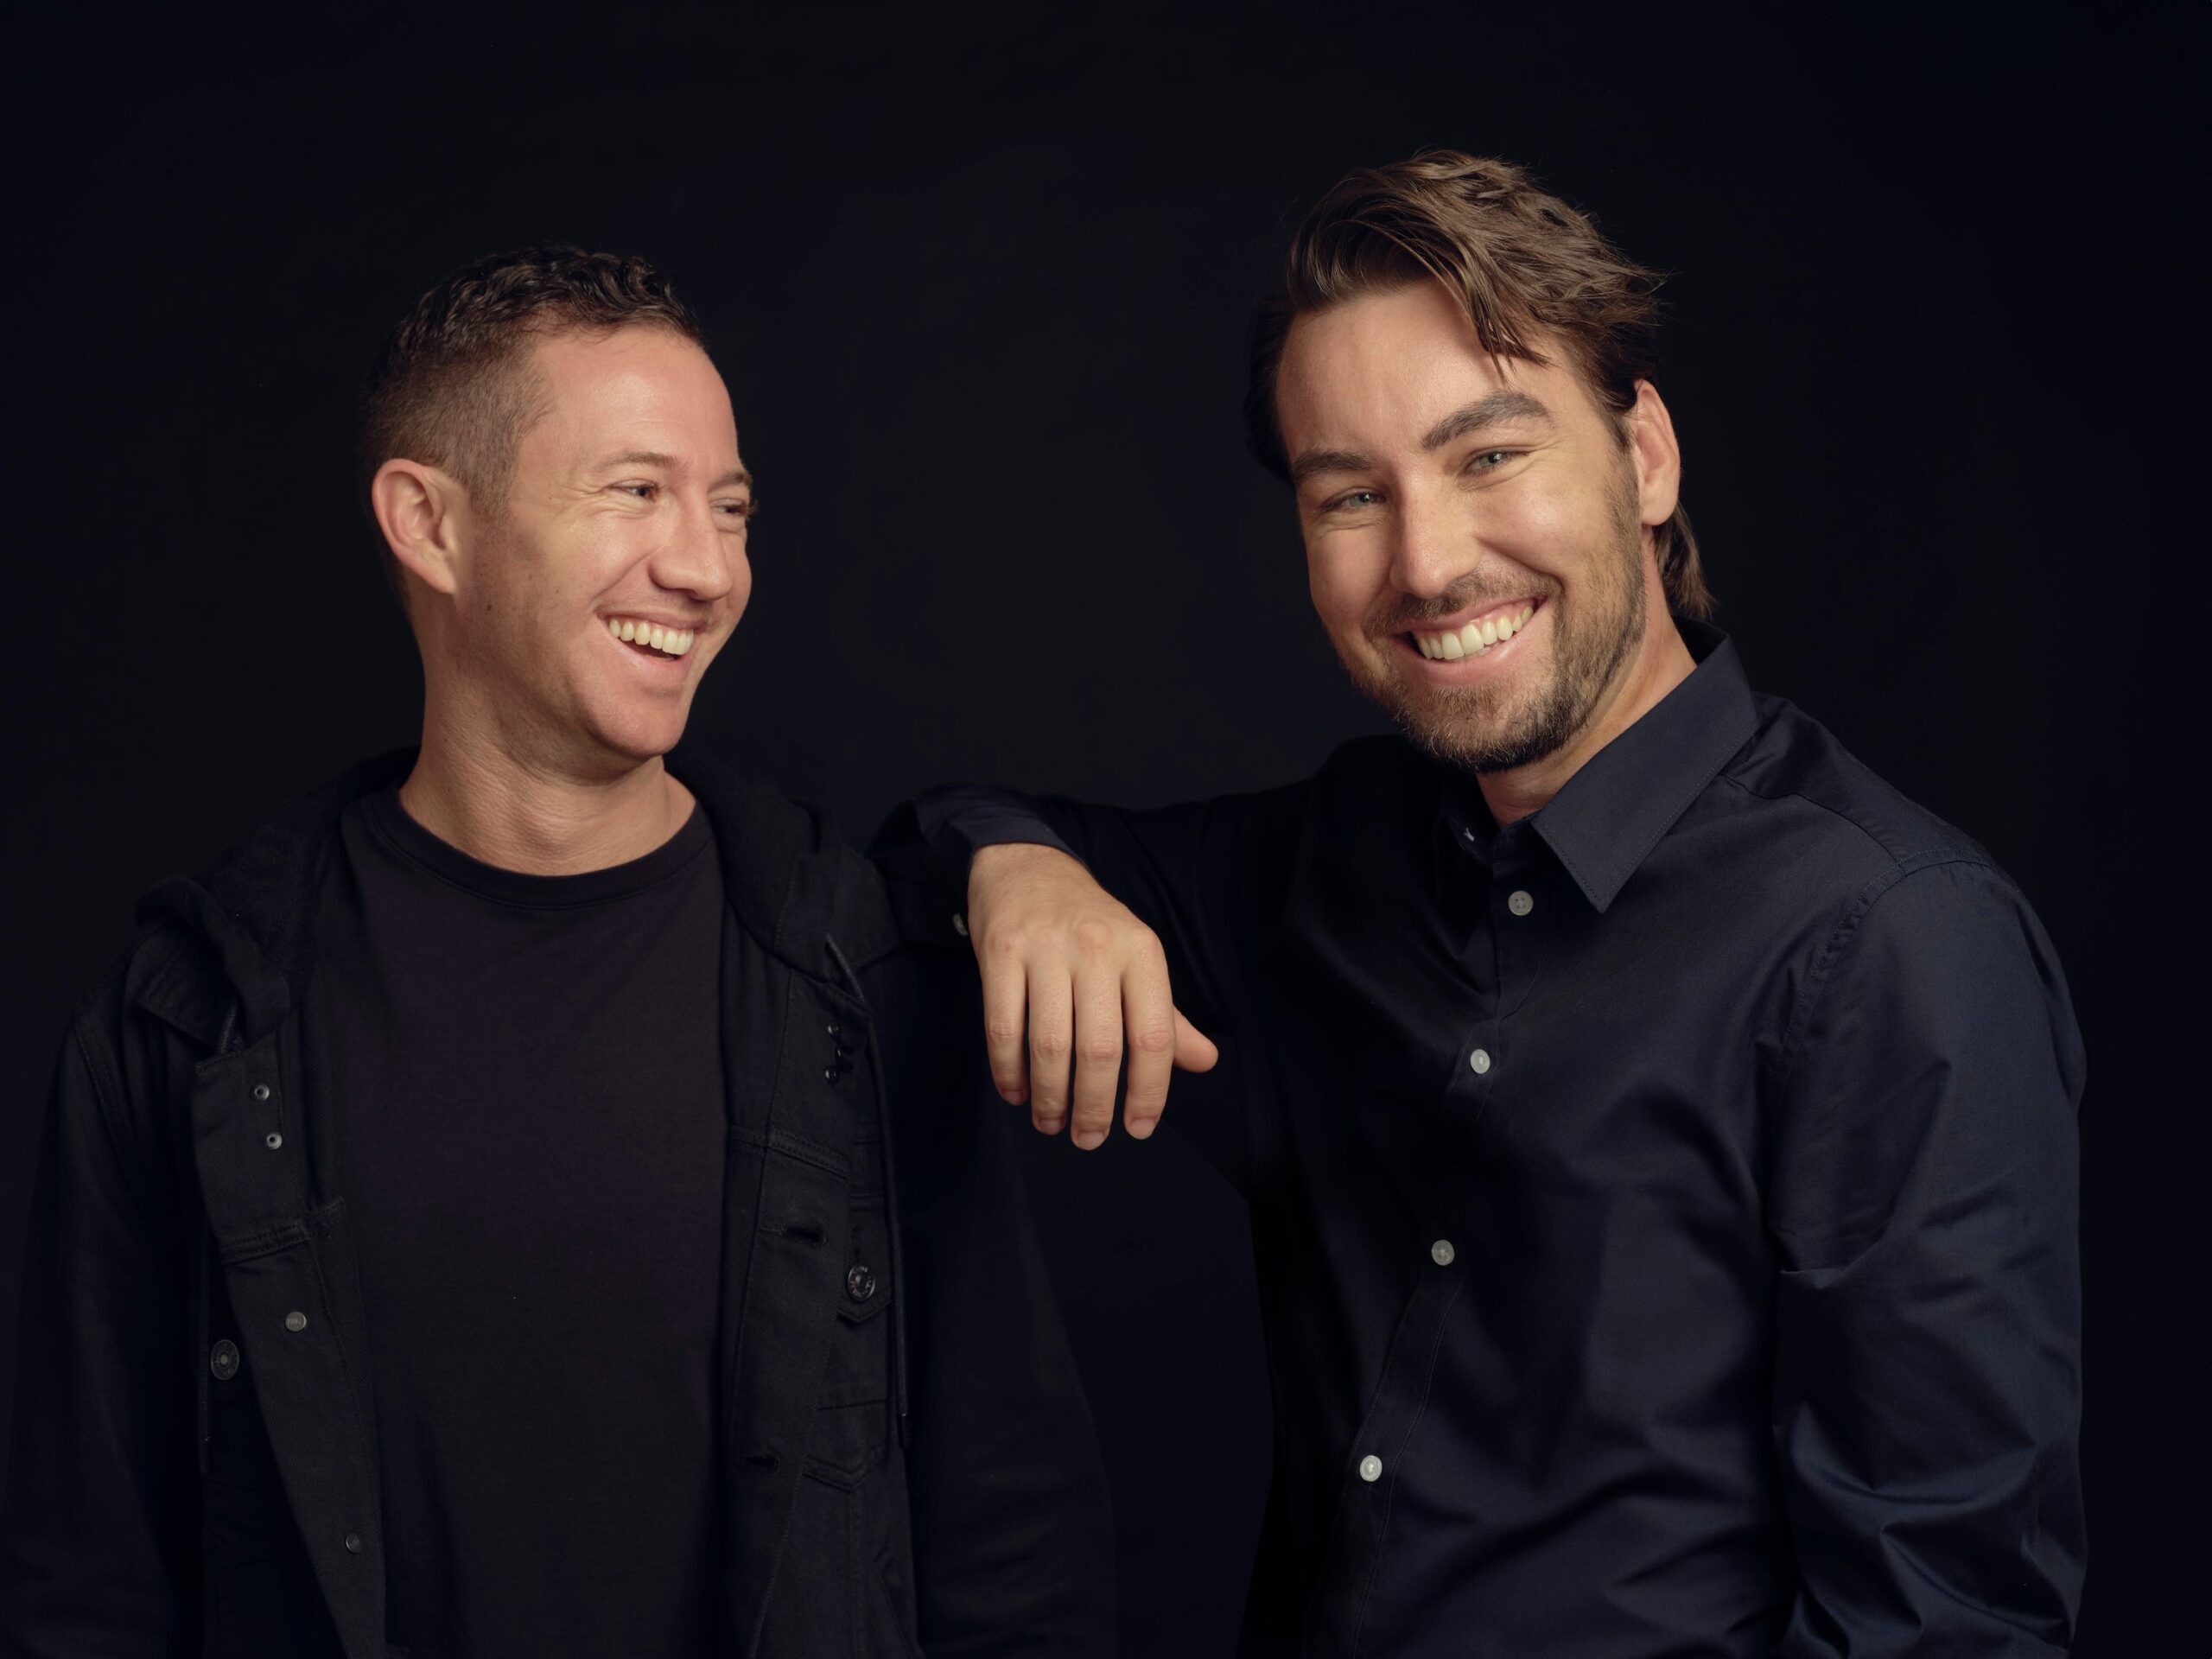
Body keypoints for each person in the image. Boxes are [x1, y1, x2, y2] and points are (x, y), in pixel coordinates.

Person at [880, 152, 2084, 1656]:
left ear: (1645, 458)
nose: (1430, 561)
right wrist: (1023, 872)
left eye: (1490, 455)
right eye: (1351, 496)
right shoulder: (1331, 862)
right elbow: (924, 846)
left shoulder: (1894, 940)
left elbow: (1949, 1626)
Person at [1, 247, 1113, 1657]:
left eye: (730, 507)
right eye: (635, 491)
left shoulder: (865, 985)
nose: (705, 568)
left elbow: (1017, 1551)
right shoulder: (188, 1025)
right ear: (431, 524)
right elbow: (89, 1577)